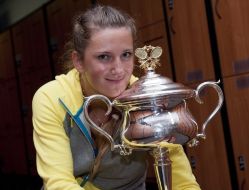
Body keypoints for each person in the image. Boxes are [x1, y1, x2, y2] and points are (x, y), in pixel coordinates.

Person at [32, 5, 201, 190]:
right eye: (104, 57)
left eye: (126, 55)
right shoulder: (52, 98)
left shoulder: (146, 97)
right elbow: (58, 183)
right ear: (78, 61)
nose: (119, 70)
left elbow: (182, 180)